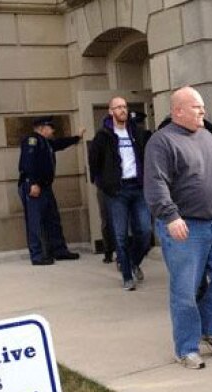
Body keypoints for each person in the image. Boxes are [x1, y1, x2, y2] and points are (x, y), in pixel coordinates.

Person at [143, 87, 212, 370]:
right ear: (178, 111)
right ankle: (186, 348)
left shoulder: (208, 136)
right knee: (185, 290)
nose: (203, 112)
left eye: (202, 107)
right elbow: (156, 184)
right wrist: (171, 216)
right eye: (197, 107)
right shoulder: (162, 142)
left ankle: (209, 331)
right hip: (185, 227)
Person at [89, 96, 151, 291]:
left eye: (124, 106)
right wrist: (104, 184)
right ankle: (127, 275)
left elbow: (146, 156)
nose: (123, 110)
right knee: (121, 234)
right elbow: (94, 163)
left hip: (137, 187)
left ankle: (133, 262)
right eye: (118, 107)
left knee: (145, 230)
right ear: (110, 111)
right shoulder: (103, 136)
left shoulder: (137, 133)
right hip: (117, 191)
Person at [18, 116, 85, 265]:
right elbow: (28, 163)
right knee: (35, 221)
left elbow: (60, 144)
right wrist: (33, 183)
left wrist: (77, 138)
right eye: (50, 127)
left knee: (53, 219)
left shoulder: (46, 143)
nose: (53, 130)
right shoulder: (32, 140)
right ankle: (37, 255)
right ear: (42, 128)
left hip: (45, 187)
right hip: (34, 185)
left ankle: (59, 250)